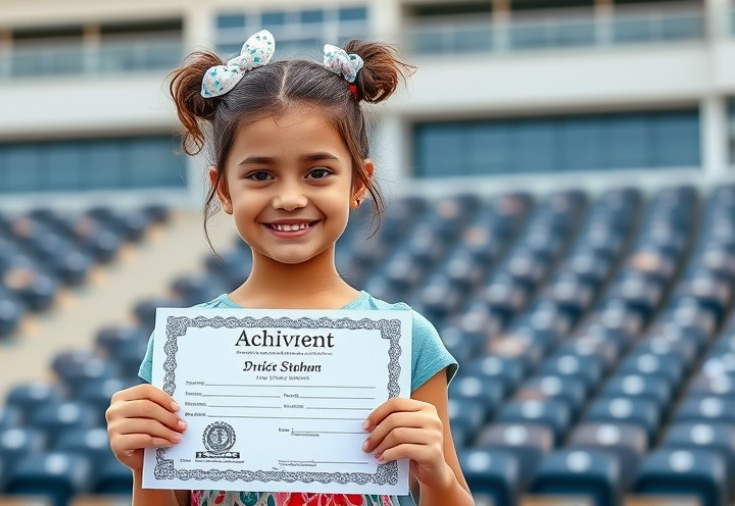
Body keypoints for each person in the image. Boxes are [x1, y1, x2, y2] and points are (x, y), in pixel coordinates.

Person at [105, 29, 472, 506]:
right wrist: (142, 467)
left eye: (318, 172)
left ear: (359, 182)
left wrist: (437, 476)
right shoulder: (187, 345)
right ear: (224, 191)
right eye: (260, 175)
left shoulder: (408, 338)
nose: (290, 198)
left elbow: (454, 492)